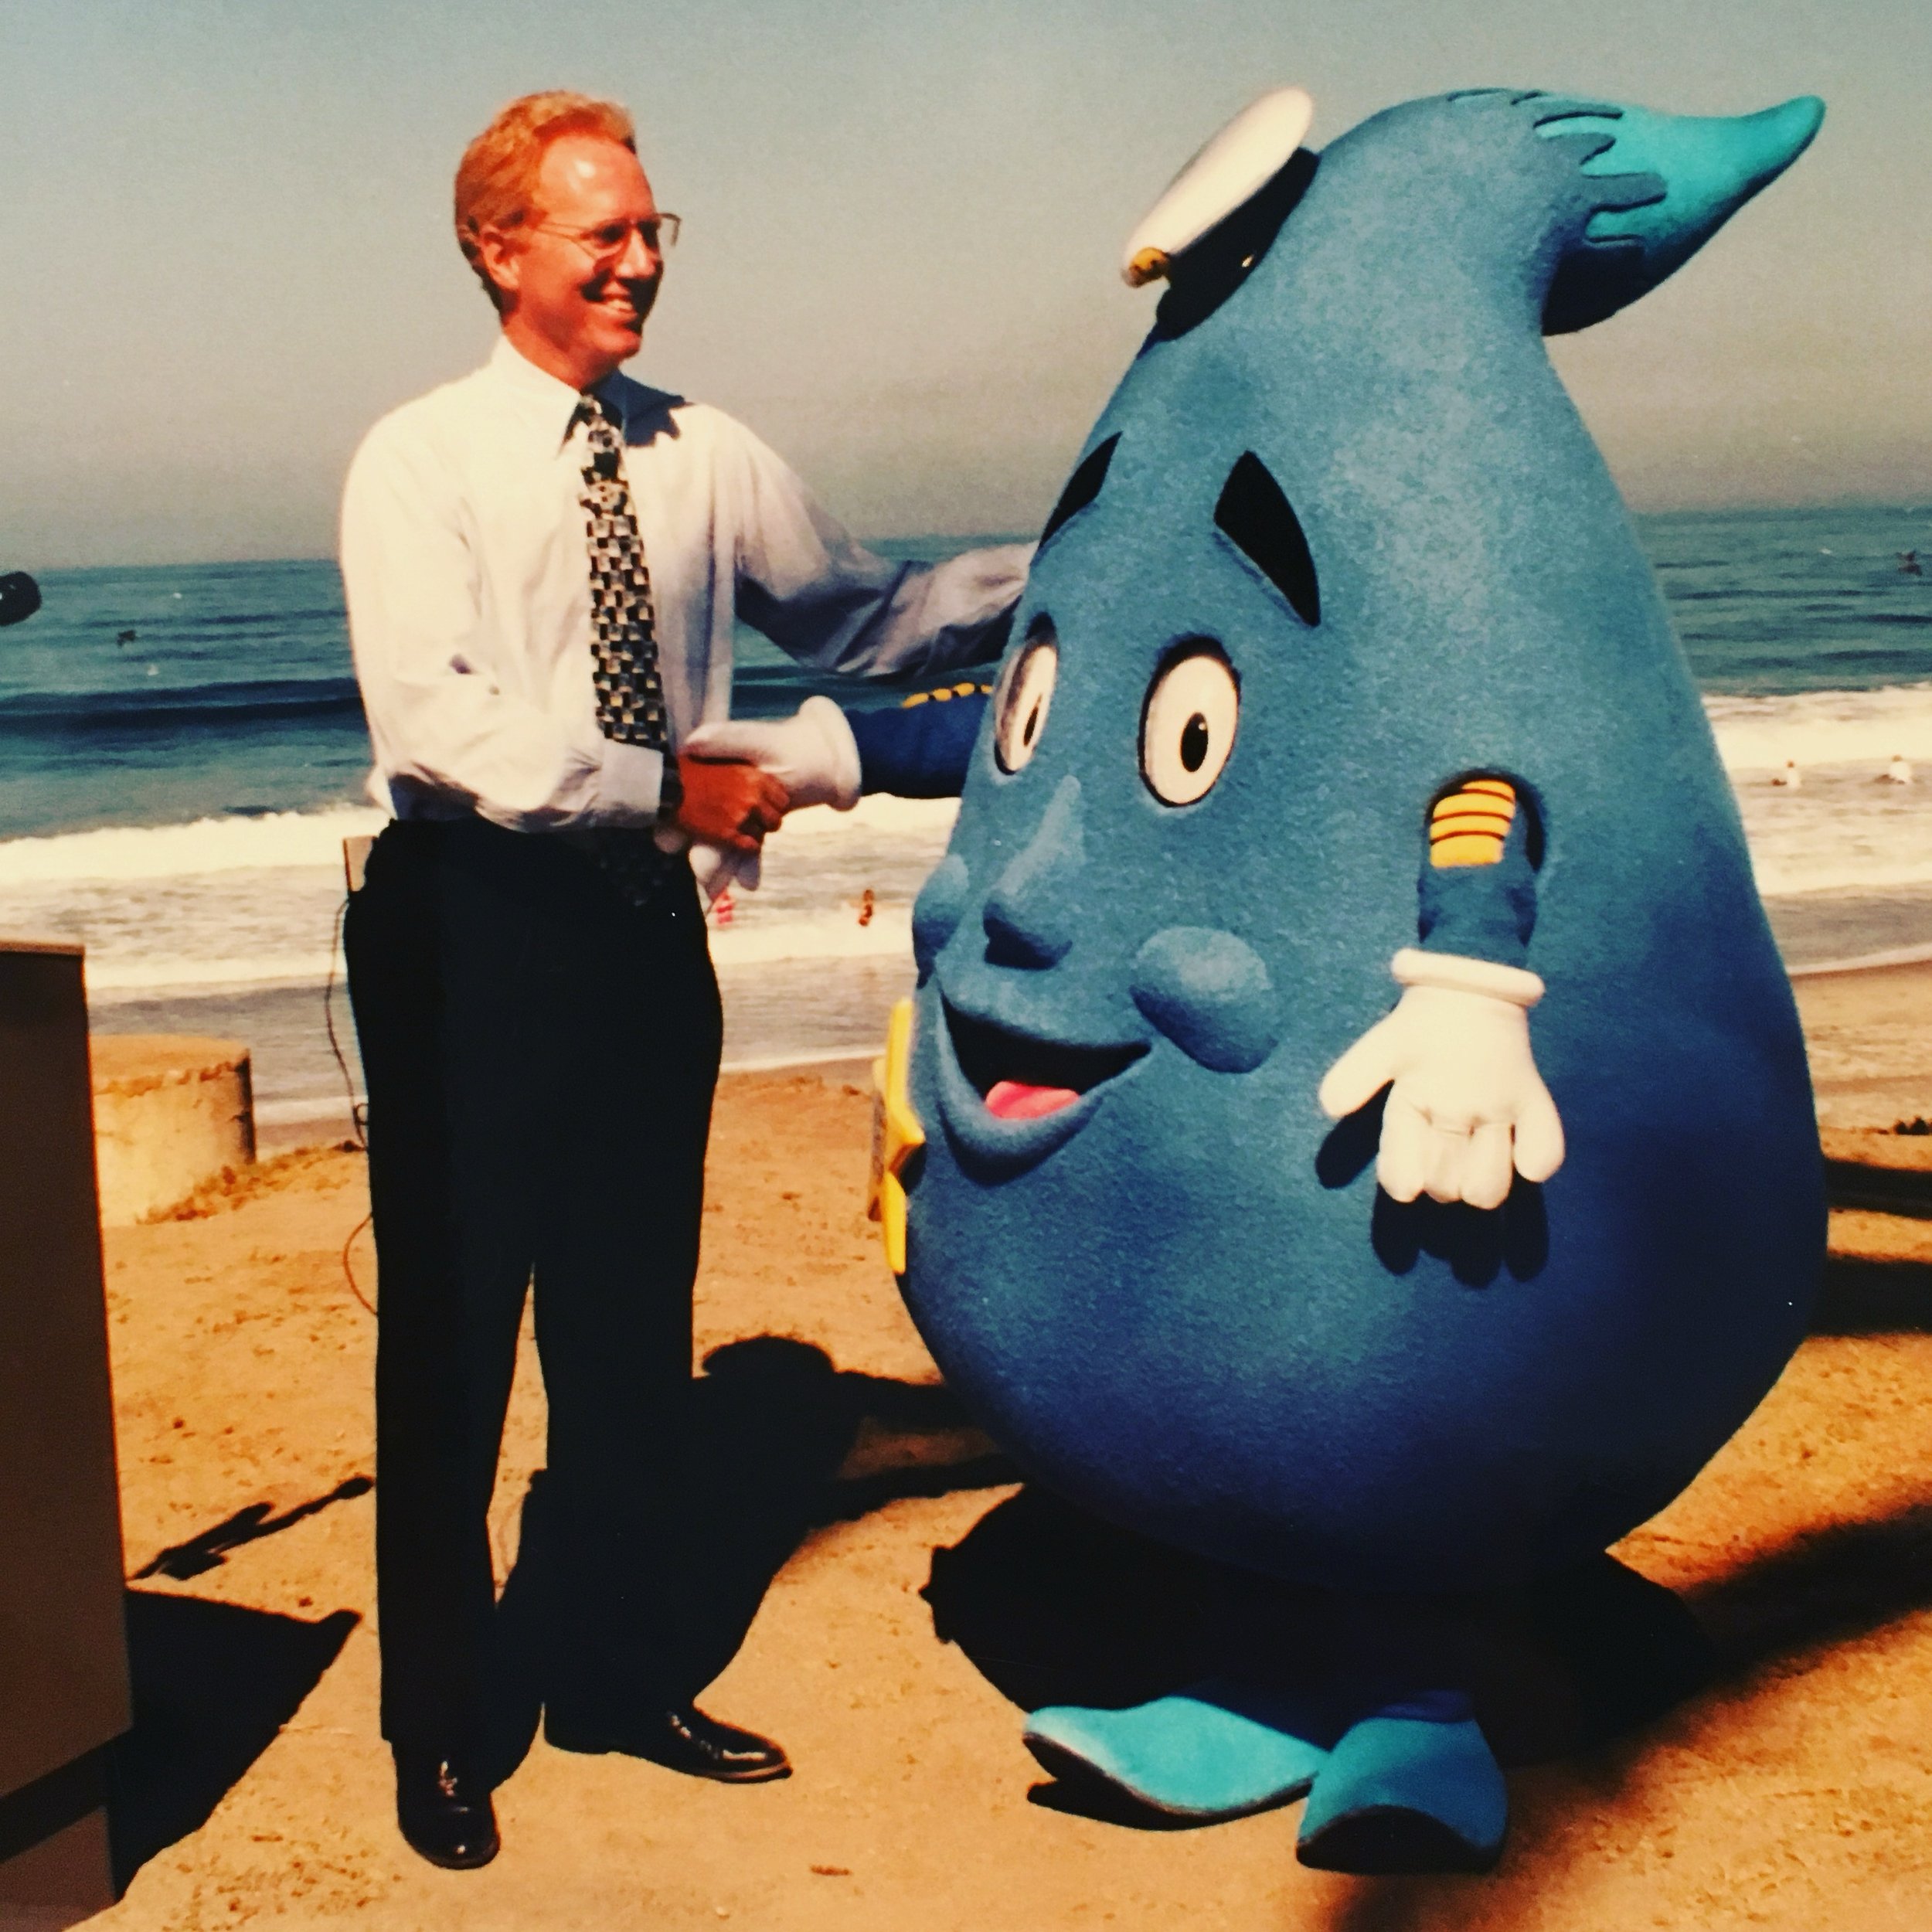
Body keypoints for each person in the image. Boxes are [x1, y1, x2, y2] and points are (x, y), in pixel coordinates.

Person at [338, 90, 1029, 1872]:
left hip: (643, 930)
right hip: (468, 924)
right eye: (603, 233)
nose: (641, 260)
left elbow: (864, 617)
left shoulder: (704, 450)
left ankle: (619, 1676)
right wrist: (673, 788)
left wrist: (1063, 559)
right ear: (502, 249)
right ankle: (444, 1722)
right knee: (455, 1337)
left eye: (656, 231)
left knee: (629, 1330)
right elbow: (445, 723)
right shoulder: (414, 459)